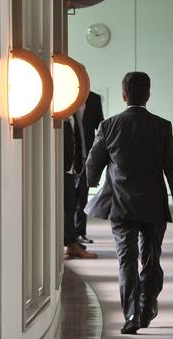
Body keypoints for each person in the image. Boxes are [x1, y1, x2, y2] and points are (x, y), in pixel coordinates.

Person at [85, 71, 173, 335]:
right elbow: (171, 168)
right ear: (148, 95)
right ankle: (146, 304)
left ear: (123, 95)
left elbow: (93, 163)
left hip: (120, 205)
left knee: (126, 260)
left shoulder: (108, 126)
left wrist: (92, 180)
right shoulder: (162, 126)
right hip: (153, 204)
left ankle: (131, 315)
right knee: (151, 259)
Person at [63, 114, 98, 260]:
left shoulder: (73, 114)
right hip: (62, 168)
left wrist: (81, 161)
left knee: (70, 207)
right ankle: (69, 244)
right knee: (66, 208)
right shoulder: (61, 113)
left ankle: (71, 244)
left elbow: (80, 139)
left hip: (72, 168)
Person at [74, 91, 104, 245]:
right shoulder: (66, 96)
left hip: (88, 155)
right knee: (69, 196)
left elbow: (101, 127)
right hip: (70, 154)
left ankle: (80, 232)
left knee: (82, 195)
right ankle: (69, 235)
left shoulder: (94, 99)